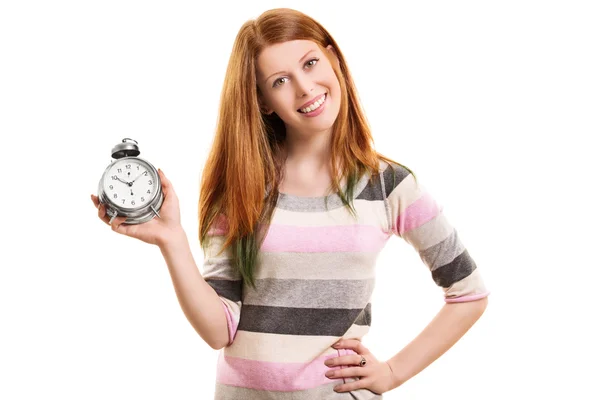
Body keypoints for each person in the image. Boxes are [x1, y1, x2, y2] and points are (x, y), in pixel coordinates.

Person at [91, 7, 490, 399]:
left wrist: (391, 373)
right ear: (263, 100)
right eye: (280, 80)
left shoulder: (389, 186)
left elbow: (469, 293)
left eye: (311, 63)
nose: (305, 88)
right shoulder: (242, 188)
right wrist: (172, 241)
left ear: (332, 57)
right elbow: (219, 331)